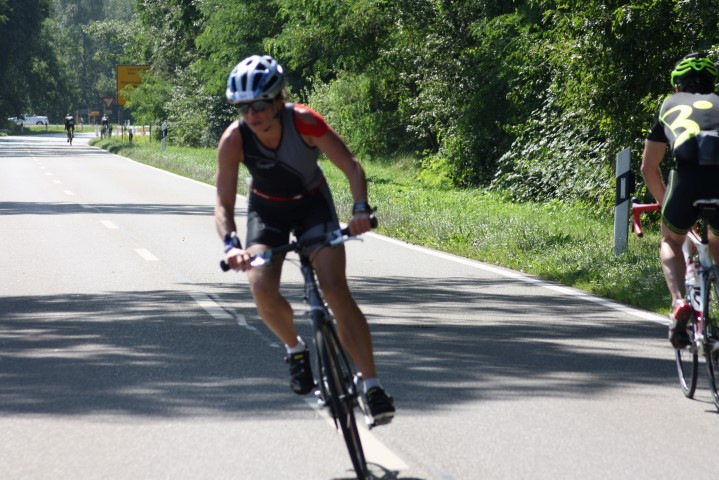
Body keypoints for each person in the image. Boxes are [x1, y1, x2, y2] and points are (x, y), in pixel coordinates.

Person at [214, 55, 395, 424]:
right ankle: (295, 349)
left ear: (278, 100)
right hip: (267, 213)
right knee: (260, 285)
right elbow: (223, 203)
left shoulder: (305, 121)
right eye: (243, 108)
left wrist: (360, 209)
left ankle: (373, 386)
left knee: (335, 290)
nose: (252, 115)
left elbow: (351, 166)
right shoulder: (234, 140)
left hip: (312, 206)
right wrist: (232, 244)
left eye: (259, 105)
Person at [640, 52, 719, 348]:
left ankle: (678, 303)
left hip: (687, 180)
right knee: (717, 246)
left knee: (671, 240)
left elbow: (648, 167)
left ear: (677, 86)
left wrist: (667, 208)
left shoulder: (669, 105)